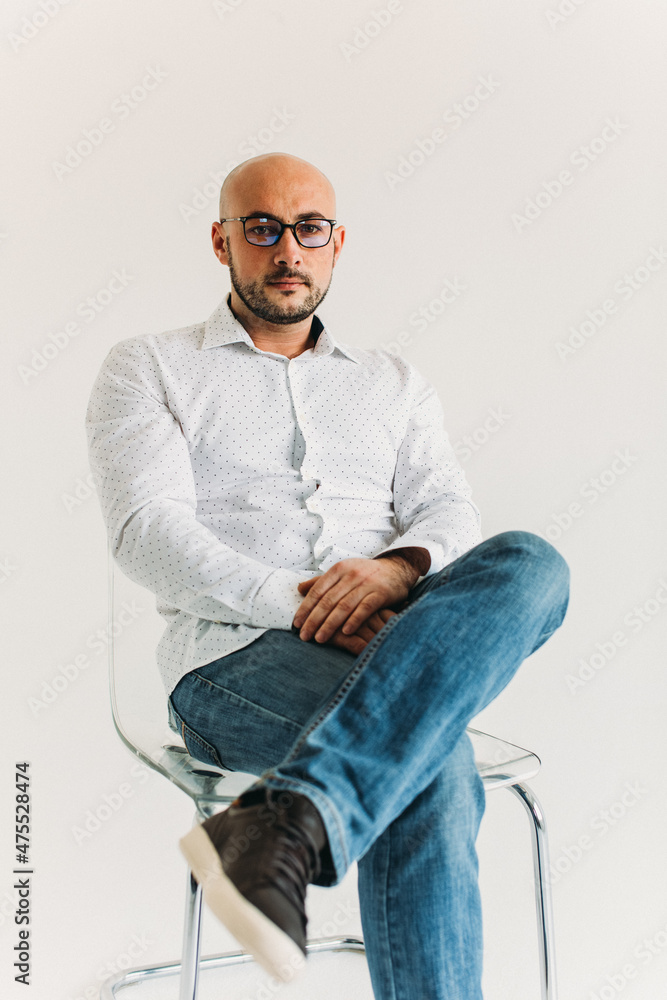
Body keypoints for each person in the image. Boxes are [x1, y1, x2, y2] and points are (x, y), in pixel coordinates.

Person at [86, 152, 570, 999]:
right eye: (261, 229)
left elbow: (448, 517)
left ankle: (287, 821)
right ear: (221, 240)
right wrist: (307, 606)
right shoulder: (148, 367)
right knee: (432, 767)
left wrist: (392, 573)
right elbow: (146, 533)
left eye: (308, 229)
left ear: (337, 242)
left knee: (532, 563)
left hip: (393, 645)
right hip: (230, 664)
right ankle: (295, 817)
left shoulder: (394, 384)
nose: (287, 251)